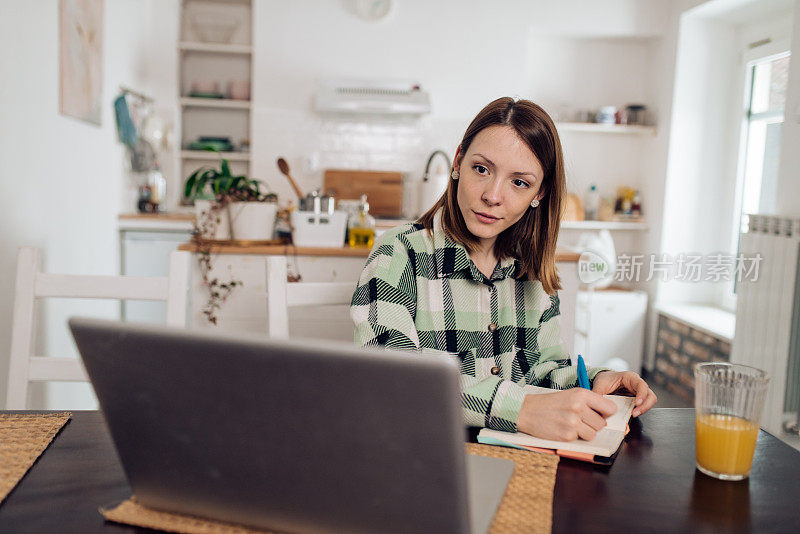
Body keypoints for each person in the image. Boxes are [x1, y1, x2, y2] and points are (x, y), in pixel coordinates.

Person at [350, 97, 657, 442]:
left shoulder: (534, 272)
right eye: (481, 169)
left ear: (539, 193)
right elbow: (392, 380)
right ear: (458, 162)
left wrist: (598, 381)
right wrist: (522, 409)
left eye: (519, 183)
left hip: (518, 464)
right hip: (420, 457)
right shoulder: (399, 254)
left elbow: (543, 373)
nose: (492, 196)